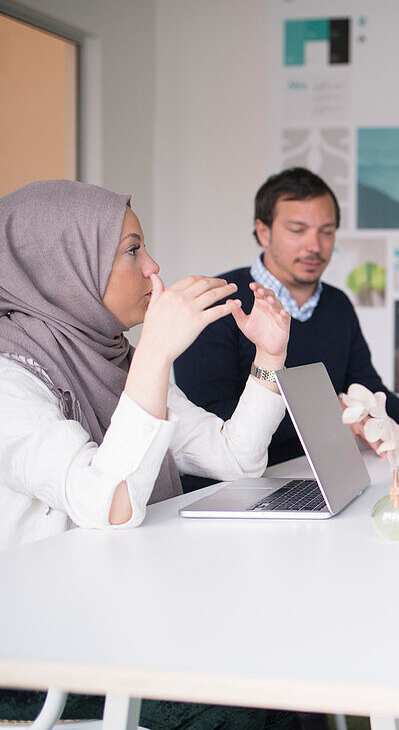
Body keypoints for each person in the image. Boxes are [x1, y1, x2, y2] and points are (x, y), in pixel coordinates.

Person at [0, 180, 296, 728]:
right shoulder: (9, 379)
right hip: (41, 654)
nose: (153, 265)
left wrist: (268, 356)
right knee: (251, 694)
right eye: (132, 250)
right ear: (63, 269)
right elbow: (109, 504)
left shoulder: (115, 359)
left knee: (282, 652)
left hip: (126, 614)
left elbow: (235, 458)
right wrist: (157, 353)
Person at [175, 168, 399, 489]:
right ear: (263, 232)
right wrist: (326, 415)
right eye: (297, 230)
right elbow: (210, 421)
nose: (315, 246)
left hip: (319, 478)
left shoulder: (337, 305)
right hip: (228, 490)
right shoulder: (220, 303)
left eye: (327, 231)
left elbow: (365, 389)